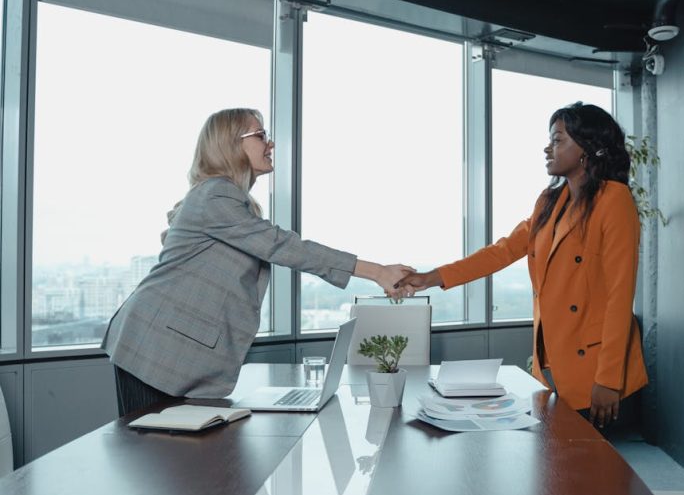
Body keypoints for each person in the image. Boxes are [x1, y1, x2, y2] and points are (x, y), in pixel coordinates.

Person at [103, 108, 413, 416]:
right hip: (154, 350)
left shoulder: (227, 200)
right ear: (231, 144)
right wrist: (377, 272)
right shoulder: (216, 196)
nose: (271, 144)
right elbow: (283, 246)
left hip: (172, 352)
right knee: (153, 454)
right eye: (261, 135)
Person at [397, 102, 648, 429]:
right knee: (556, 469)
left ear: (587, 148)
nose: (548, 148)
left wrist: (609, 379)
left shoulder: (614, 200)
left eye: (558, 140)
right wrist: (430, 278)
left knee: (592, 474)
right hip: (551, 365)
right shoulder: (549, 201)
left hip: (598, 369)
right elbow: (501, 252)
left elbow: (620, 296)